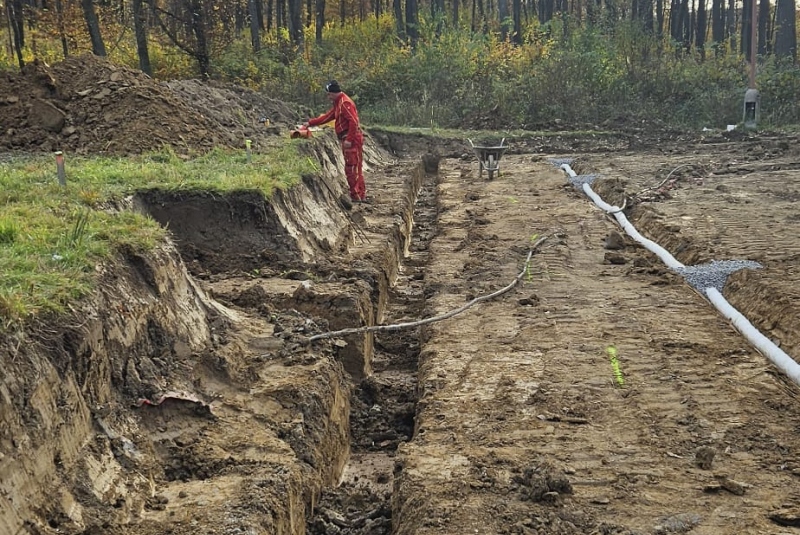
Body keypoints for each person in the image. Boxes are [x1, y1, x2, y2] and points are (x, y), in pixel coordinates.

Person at [304, 80, 366, 202]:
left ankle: (356, 195)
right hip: (348, 137)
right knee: (353, 167)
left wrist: (349, 139)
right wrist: (310, 123)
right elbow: (328, 116)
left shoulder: (344, 103)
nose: (328, 97)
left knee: (352, 167)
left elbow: (353, 122)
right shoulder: (338, 103)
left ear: (333, 93)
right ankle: (358, 194)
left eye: (329, 94)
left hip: (351, 139)